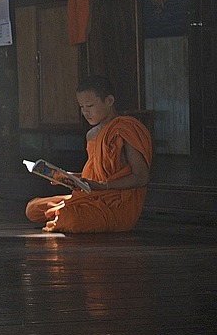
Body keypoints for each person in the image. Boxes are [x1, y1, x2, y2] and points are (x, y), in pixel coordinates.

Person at [25, 75, 153, 233]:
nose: (85, 112)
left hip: (116, 203)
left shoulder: (125, 129)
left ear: (109, 101)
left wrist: (104, 186)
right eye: (81, 106)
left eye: (90, 105)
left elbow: (141, 177)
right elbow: (95, 175)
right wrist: (69, 177)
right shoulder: (92, 135)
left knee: (72, 219)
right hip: (92, 195)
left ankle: (65, 216)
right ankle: (64, 215)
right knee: (32, 208)